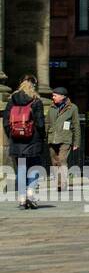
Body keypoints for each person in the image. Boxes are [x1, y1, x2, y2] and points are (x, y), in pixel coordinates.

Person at [4, 74, 46, 209]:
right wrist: (41, 137)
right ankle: (30, 192)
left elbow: (6, 122)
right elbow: (40, 123)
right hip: (32, 141)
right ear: (33, 85)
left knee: (21, 169)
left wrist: (12, 135)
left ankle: (22, 199)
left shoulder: (12, 100)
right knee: (34, 167)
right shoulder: (36, 101)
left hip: (17, 141)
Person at [46, 87, 81, 194]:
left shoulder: (73, 108)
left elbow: (76, 125)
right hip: (52, 138)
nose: (53, 97)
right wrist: (46, 136)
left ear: (62, 96)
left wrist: (76, 142)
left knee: (62, 160)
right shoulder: (51, 108)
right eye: (53, 95)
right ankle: (58, 183)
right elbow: (47, 123)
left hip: (66, 138)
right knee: (54, 162)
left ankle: (63, 184)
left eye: (55, 95)